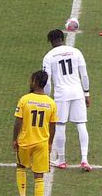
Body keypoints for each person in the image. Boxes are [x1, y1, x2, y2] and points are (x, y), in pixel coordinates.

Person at [42, 29, 92, 171]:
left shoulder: (49, 56)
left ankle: (62, 160)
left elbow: (47, 81)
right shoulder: (76, 52)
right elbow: (84, 75)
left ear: (50, 41)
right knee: (81, 124)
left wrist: (46, 98)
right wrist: (86, 93)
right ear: (63, 38)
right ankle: (84, 159)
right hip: (77, 92)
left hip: (61, 94)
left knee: (60, 125)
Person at [13, 70, 58, 196]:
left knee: (21, 166)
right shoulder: (51, 103)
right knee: (39, 176)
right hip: (42, 143)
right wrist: (49, 143)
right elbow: (53, 126)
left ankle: (22, 194)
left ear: (35, 82)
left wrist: (14, 139)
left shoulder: (25, 100)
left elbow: (18, 122)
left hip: (25, 141)